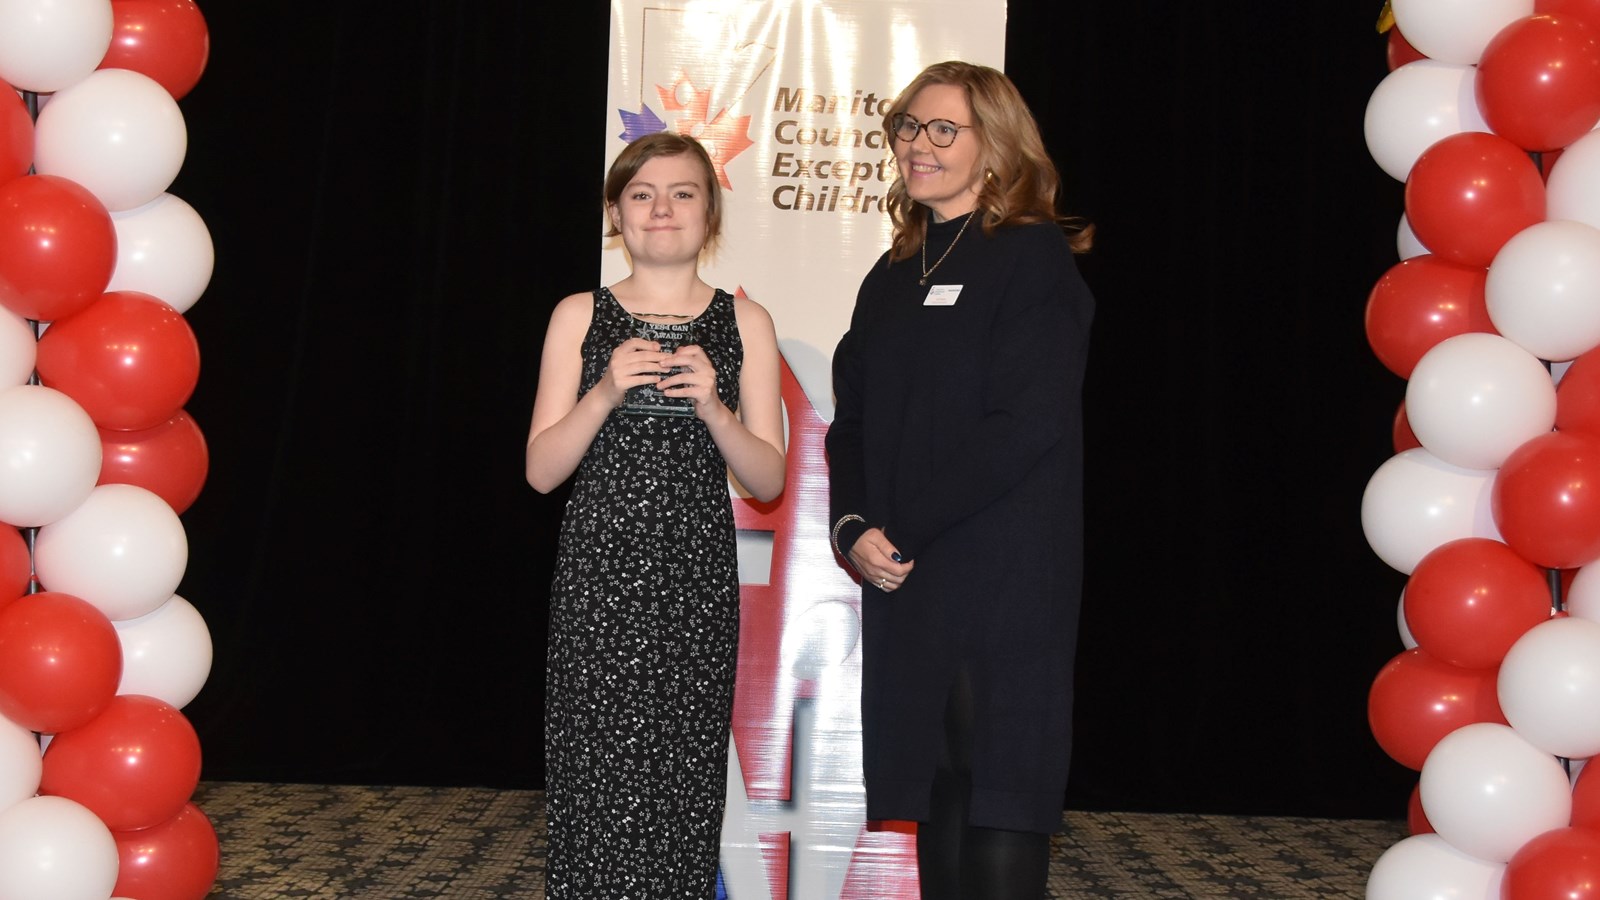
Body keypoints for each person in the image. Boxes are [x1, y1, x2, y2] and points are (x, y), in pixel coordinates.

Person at [826, 61, 1095, 899]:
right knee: (936, 777)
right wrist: (853, 526)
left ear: (996, 146)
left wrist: (900, 529)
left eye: (944, 129)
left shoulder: (1032, 257)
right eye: (909, 126)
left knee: (998, 784)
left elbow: (1027, 424)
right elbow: (852, 423)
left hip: (1002, 564)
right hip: (908, 568)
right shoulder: (892, 274)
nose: (919, 144)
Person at [525, 131, 785, 898]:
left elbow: (767, 477)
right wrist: (604, 392)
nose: (661, 208)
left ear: (710, 214)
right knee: (593, 778)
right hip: (598, 583)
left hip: (693, 585)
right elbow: (541, 471)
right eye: (642, 194)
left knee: (682, 781)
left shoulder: (747, 322)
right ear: (616, 213)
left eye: (682, 193)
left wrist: (714, 408)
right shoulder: (578, 315)